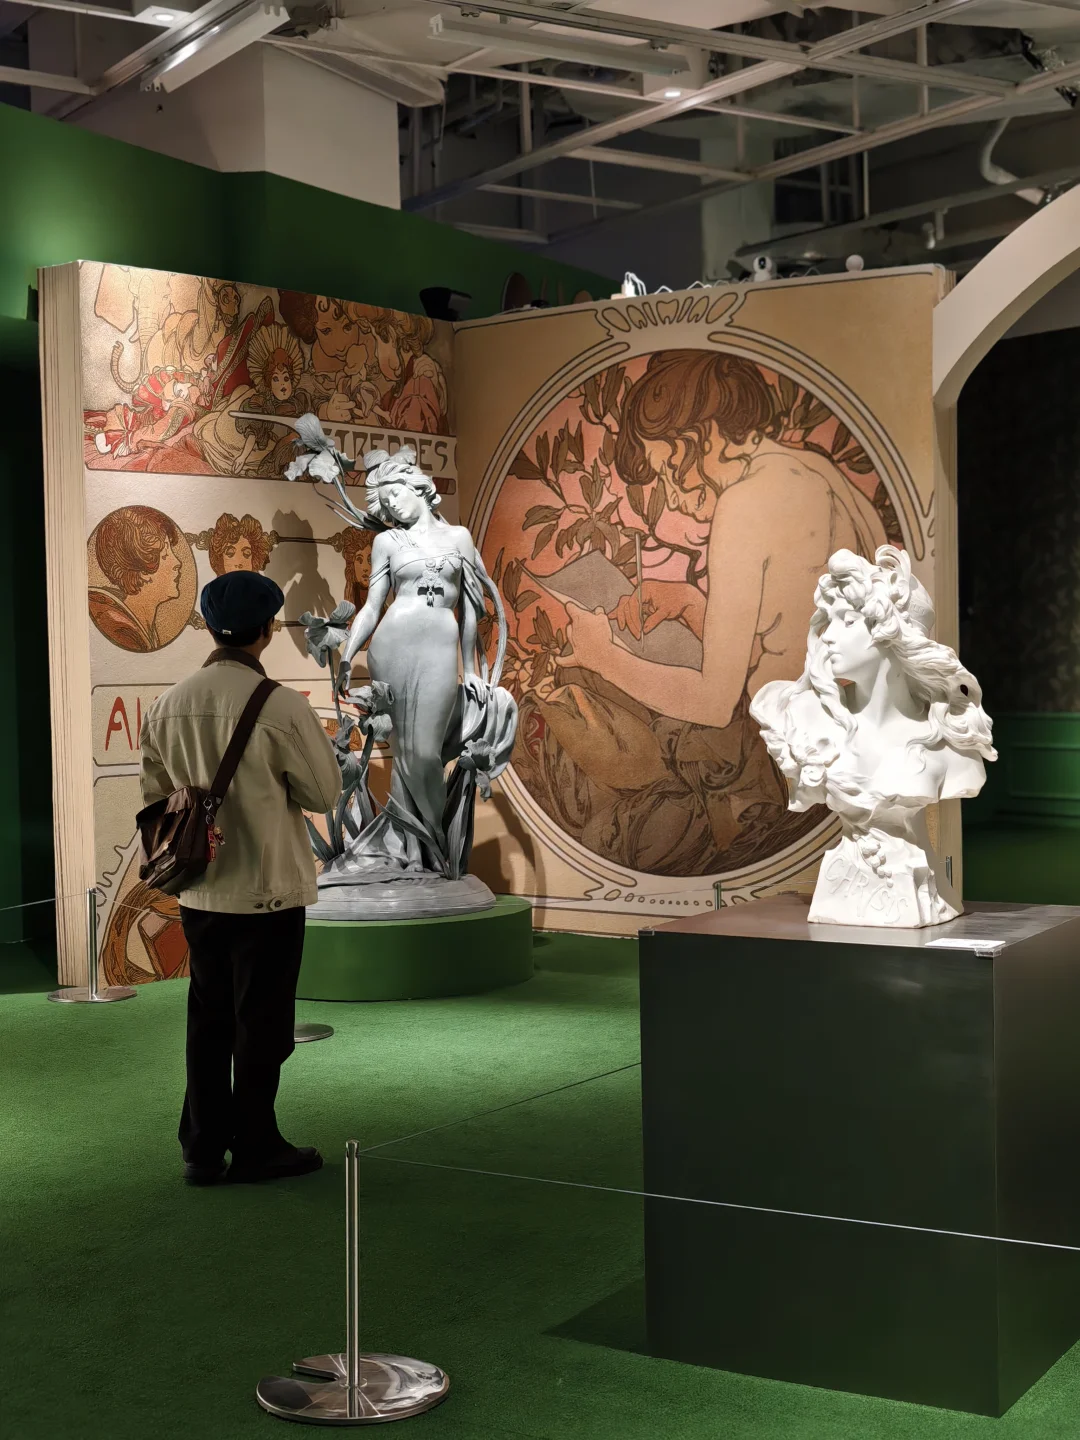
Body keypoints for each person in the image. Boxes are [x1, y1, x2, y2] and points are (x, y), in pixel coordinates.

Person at [556, 351, 886, 730]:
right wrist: (690, 603)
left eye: (666, 469)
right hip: (845, 727)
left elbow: (713, 704)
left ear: (699, 437)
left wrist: (602, 656)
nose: (671, 498)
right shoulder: (816, 471)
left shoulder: (744, 503)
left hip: (792, 737)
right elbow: (790, 641)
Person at [139, 571, 342, 1185]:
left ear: (208, 625)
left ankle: (201, 1148)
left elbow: (156, 798)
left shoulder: (168, 704)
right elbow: (323, 793)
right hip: (268, 890)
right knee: (263, 1022)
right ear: (268, 628)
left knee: (208, 1018)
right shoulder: (281, 705)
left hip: (200, 888)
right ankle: (257, 1143)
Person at [89, 505, 183, 652]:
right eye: (166, 555)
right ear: (143, 570)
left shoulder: (144, 629)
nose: (178, 562)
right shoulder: (120, 631)